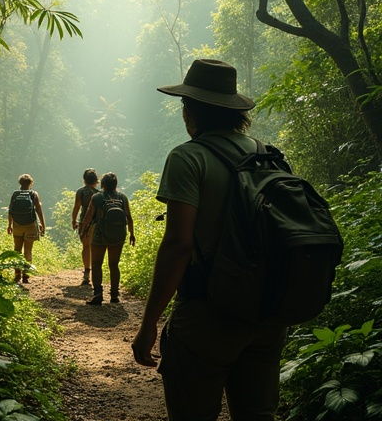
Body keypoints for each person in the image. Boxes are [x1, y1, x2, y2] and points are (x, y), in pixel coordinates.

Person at [132, 59, 288, 421]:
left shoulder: (189, 158)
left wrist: (149, 322)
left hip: (208, 312)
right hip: (267, 312)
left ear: (192, 110)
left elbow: (179, 246)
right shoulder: (269, 156)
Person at [81, 172, 135, 305]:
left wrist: (83, 230)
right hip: (118, 235)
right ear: (116, 184)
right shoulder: (122, 197)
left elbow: (88, 216)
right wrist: (131, 234)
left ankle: (98, 294)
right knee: (114, 265)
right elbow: (129, 217)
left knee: (97, 263)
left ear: (103, 184)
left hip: (99, 236)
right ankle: (115, 295)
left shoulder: (97, 197)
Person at [7, 173, 46, 284]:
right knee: (28, 251)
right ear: (31, 183)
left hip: (17, 225)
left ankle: (17, 274)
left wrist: (9, 225)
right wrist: (43, 225)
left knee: (17, 250)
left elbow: (10, 210)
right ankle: (25, 275)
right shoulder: (33, 194)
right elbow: (38, 210)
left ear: (20, 183)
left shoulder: (15, 194)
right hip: (30, 225)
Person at [71, 168, 100, 285]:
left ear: (84, 179)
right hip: (97, 222)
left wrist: (74, 220)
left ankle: (87, 273)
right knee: (96, 247)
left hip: (84, 221)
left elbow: (77, 207)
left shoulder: (80, 191)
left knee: (86, 246)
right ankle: (96, 272)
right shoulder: (98, 193)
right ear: (96, 180)